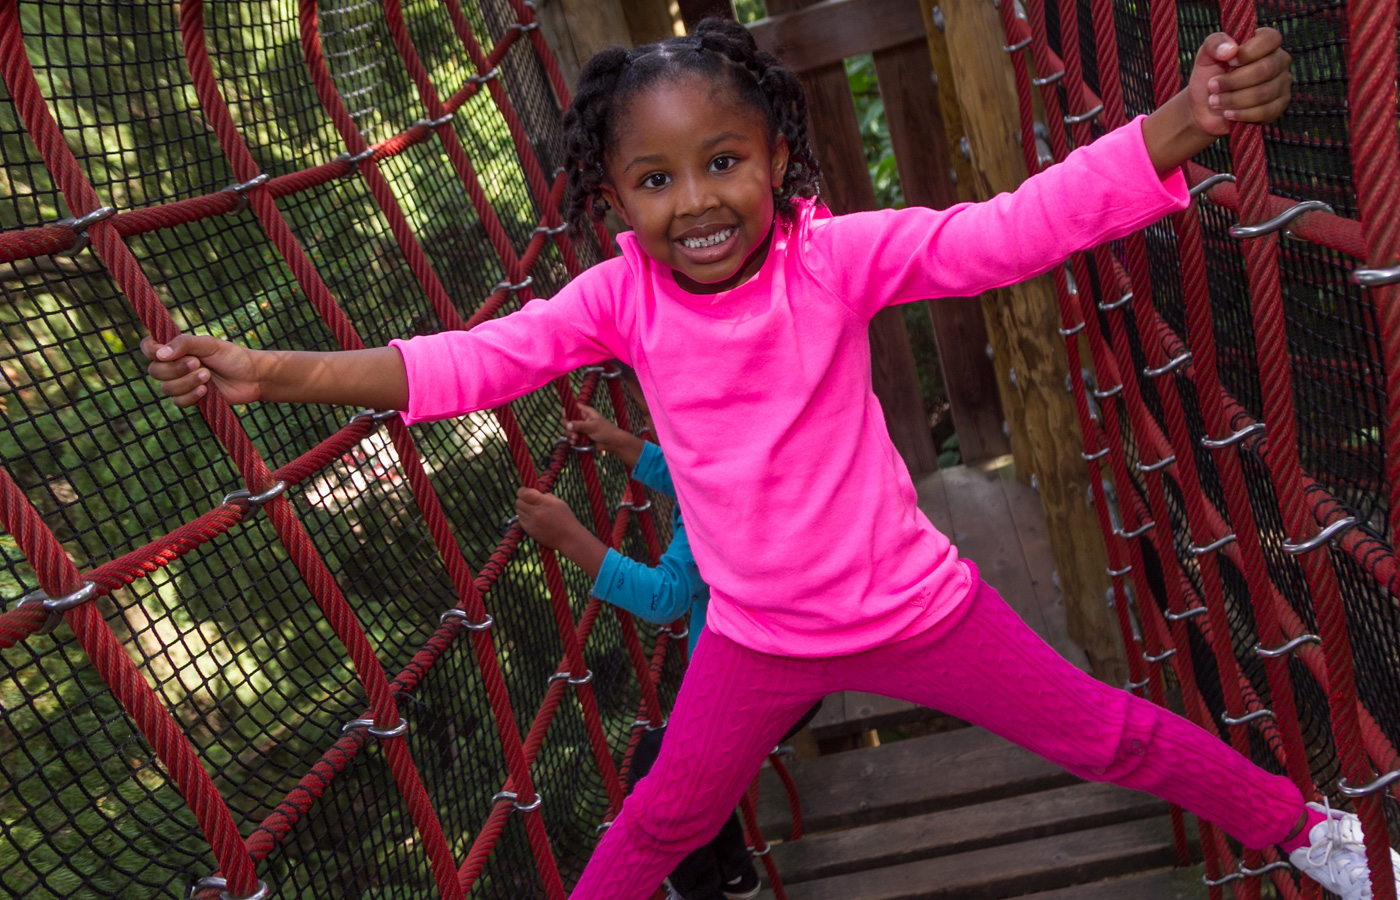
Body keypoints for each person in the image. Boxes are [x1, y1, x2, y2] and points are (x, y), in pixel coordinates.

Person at [140, 18, 1400, 900]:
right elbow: (467, 362)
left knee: (1111, 738)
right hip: (755, 637)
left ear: (778, 160)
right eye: (653, 177)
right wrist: (276, 372)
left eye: (722, 160)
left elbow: (1001, 233)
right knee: (661, 819)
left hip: (917, 610)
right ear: (610, 195)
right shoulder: (616, 300)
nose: (693, 199)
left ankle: (1308, 832)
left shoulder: (829, 258)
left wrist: (1178, 123)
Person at [514, 366, 771, 900]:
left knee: (655, 770)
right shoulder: (736, 447)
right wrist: (617, 440)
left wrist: (569, 538)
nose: (653, 427)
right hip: (773, 663)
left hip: (752, 682)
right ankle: (737, 874)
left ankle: (705, 890)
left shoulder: (711, 498)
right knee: (692, 760)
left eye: (653, 416)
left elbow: (664, 598)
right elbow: (678, 471)